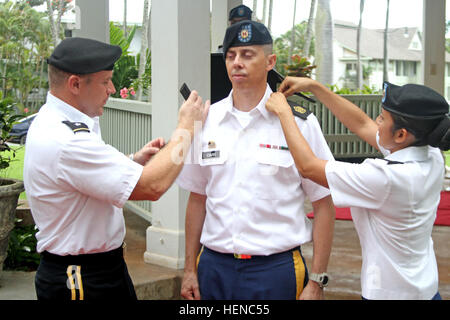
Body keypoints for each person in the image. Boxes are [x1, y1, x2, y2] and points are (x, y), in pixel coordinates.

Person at [23, 37, 210, 300]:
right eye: (104, 81)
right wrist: (187, 128)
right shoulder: (65, 139)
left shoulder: (67, 120)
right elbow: (152, 187)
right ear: (75, 84)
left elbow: (80, 177)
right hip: (81, 279)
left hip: (102, 268)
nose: (112, 88)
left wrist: (132, 161)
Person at [177, 21, 335, 300]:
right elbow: (197, 198)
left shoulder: (300, 123)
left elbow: (323, 203)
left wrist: (317, 281)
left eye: (248, 54)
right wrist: (190, 268)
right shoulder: (204, 120)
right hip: (214, 266)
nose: (237, 63)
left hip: (276, 269)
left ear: (270, 61)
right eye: (231, 55)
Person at [265, 77, 450, 300]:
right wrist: (316, 87)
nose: (376, 121)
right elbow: (363, 125)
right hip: (424, 289)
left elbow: (308, 167)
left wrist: (284, 113)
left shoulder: (387, 178)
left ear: (401, 135)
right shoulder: (431, 154)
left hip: (389, 294)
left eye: (382, 118)